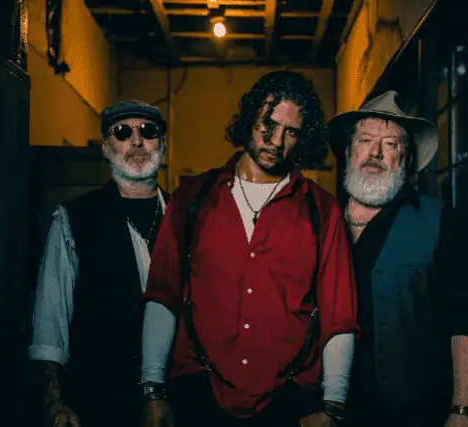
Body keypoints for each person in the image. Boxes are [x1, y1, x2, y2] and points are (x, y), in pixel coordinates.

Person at [140, 70, 359, 427]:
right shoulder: (193, 198)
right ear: (249, 119)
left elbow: (340, 316)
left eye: (291, 132)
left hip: (289, 400)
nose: (276, 141)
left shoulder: (322, 210)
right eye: (268, 125)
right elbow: (163, 294)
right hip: (200, 392)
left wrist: (333, 406)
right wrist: (153, 391)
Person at [327, 91, 468, 427]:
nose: (375, 153)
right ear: (348, 151)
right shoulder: (319, 222)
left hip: (418, 414)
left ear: (407, 159)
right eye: (365, 140)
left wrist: (464, 410)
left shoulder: (442, 221)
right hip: (333, 415)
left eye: (390, 144)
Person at [28, 100, 169, 427]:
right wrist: (55, 403)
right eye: (122, 132)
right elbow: (50, 324)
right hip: (99, 403)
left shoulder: (187, 218)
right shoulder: (73, 219)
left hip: (174, 405)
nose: (136, 141)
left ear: (162, 146)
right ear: (106, 149)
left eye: (148, 132)